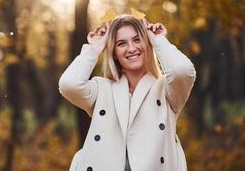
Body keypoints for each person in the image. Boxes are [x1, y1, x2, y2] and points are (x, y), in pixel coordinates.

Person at [59, 14, 196, 171]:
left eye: (137, 40)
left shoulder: (166, 90)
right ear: (114, 53)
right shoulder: (102, 89)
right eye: (121, 43)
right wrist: (95, 48)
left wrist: (158, 40)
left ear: (147, 44)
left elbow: (182, 71)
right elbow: (69, 84)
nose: (131, 48)